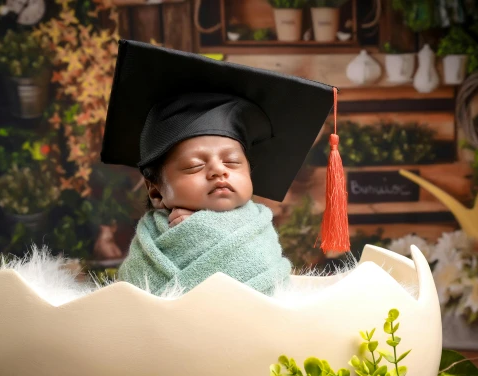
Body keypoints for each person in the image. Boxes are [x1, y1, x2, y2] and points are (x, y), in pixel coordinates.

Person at [100, 40, 349, 297]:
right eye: (195, 165)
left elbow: (265, 279)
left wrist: (203, 231)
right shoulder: (149, 243)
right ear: (155, 191)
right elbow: (135, 302)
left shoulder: (258, 228)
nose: (219, 171)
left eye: (232, 162)